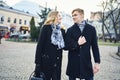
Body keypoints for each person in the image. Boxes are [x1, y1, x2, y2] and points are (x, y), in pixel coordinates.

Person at [65, 8, 101, 80]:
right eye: (72, 15)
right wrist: (77, 43)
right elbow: (66, 46)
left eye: (75, 15)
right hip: (73, 64)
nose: (73, 17)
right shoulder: (69, 30)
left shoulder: (91, 29)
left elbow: (95, 47)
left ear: (82, 15)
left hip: (86, 63)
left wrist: (97, 62)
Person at [34, 10, 66, 80]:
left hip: (57, 63)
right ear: (54, 17)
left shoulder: (62, 30)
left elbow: (66, 45)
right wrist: (37, 64)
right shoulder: (46, 28)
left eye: (61, 16)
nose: (61, 17)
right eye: (59, 16)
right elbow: (39, 46)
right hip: (46, 62)